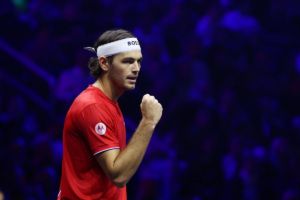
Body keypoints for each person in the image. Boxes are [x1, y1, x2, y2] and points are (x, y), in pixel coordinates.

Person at [57, 29, 163, 200]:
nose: (136, 69)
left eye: (138, 61)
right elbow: (118, 175)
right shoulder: (92, 106)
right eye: (128, 61)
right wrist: (149, 121)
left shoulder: (108, 102)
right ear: (104, 63)